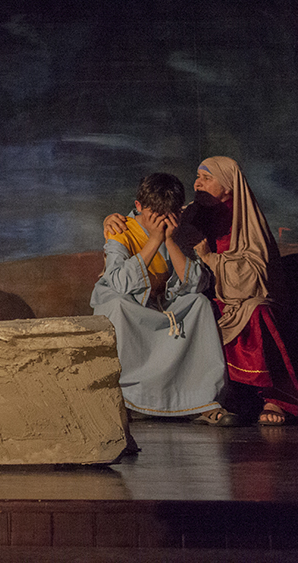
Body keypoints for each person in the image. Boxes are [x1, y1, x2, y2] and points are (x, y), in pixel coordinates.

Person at [104, 157, 298, 425]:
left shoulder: (236, 220)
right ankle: (134, 397)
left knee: (219, 306)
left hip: (237, 293)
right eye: (197, 177)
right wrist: (116, 220)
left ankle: (208, 399)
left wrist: (205, 256)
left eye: (206, 178)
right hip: (169, 295)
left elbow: (245, 274)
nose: (197, 183)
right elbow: (125, 262)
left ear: (228, 186)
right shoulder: (184, 215)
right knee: (129, 306)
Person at [91, 173, 235, 424]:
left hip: (164, 303)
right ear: (139, 206)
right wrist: (154, 240)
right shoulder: (121, 229)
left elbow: (196, 283)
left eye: (169, 215)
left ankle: (202, 400)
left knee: (199, 304)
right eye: (154, 215)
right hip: (132, 305)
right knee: (118, 306)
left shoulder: (183, 231)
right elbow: (120, 283)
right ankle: (128, 400)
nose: (161, 222)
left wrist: (169, 241)